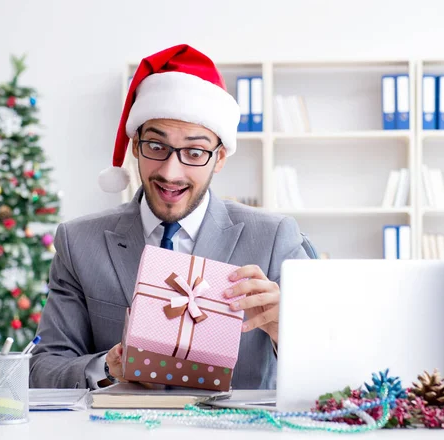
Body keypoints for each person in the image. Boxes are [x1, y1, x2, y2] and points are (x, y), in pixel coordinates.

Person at [29, 44, 309, 390]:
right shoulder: (79, 242)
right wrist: (107, 366)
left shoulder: (273, 238)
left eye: (194, 151)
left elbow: (328, 369)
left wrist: (288, 330)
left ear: (219, 158)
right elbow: (43, 370)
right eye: (156, 147)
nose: (170, 172)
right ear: (135, 146)